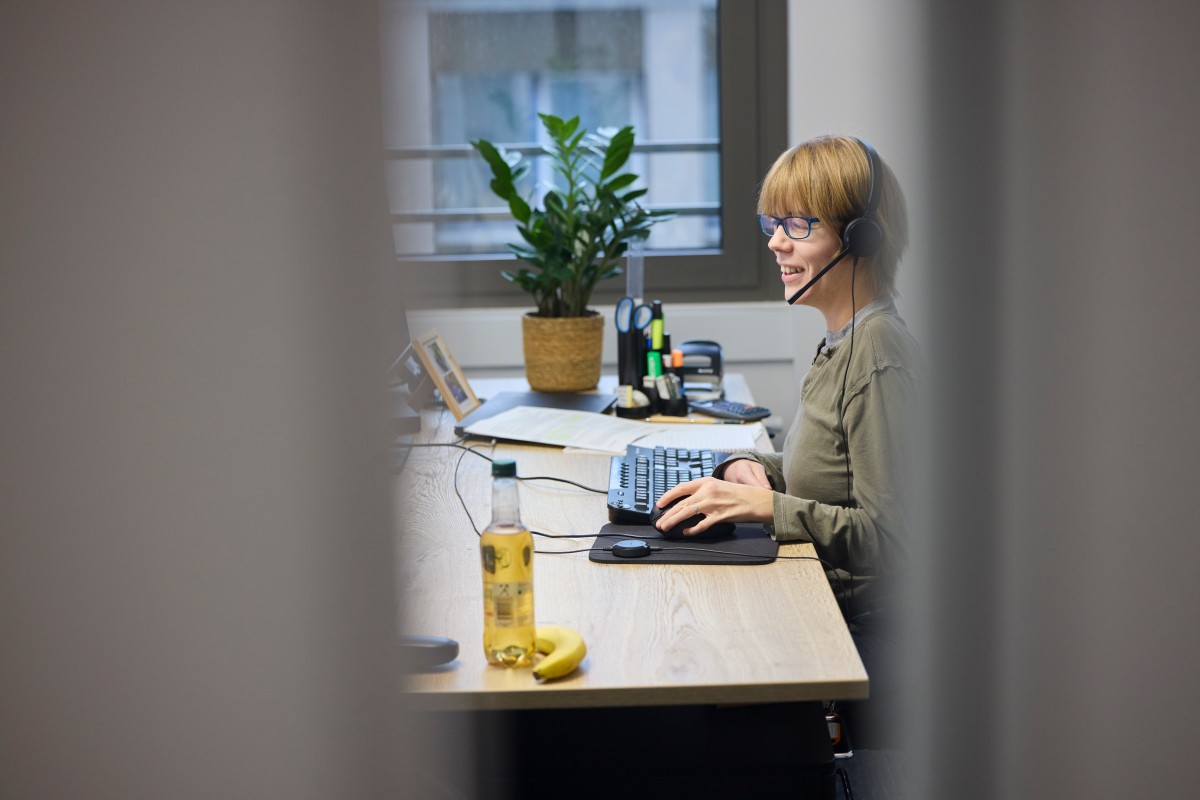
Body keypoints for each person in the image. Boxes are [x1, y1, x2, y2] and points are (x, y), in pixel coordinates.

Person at [655, 134, 921, 747]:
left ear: (860, 239)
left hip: (855, 627)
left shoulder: (878, 355)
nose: (776, 241)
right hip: (819, 601)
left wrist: (766, 509)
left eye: (798, 225)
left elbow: (891, 541)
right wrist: (753, 467)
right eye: (773, 223)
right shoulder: (842, 339)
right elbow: (826, 470)